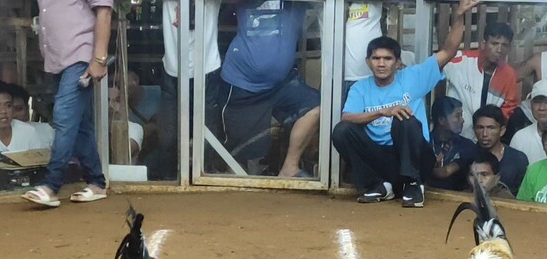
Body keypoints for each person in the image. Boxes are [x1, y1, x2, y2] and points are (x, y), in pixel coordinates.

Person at [332, 0, 481, 207]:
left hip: (416, 158)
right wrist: (384, 112)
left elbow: (449, 50)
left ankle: (413, 184)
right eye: (376, 58)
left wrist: (459, 15)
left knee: (405, 119)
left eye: (387, 58)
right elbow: (347, 118)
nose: (381, 63)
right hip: (382, 160)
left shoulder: (412, 77)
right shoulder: (360, 88)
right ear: (368, 62)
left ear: (398, 62)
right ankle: (378, 185)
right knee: (342, 131)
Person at [22, 0, 113, 207]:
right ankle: (97, 182)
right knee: (80, 124)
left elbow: (104, 11)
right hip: (58, 59)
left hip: (81, 55)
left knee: (64, 116)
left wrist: (99, 60)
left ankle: (51, 185)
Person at [220, 0, 320, 178]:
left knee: (317, 107)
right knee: (245, 159)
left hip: (283, 83)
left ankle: (290, 167)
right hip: (242, 84)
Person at [139, 0, 222, 180]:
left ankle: (205, 179)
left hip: (206, 68)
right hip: (173, 69)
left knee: (207, 136)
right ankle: (171, 184)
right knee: (168, 137)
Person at [443, 21, 519, 141]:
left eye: (504, 45)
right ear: (483, 43)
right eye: (494, 43)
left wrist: (493, 129)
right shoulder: (461, 61)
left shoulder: (509, 75)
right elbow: (432, 70)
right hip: (455, 137)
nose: (499, 49)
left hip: (487, 141)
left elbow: (509, 107)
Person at [472, 105, 528, 195]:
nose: (485, 134)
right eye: (480, 127)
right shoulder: (467, 156)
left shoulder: (518, 159)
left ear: (502, 130)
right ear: (474, 130)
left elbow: (522, 196)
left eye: (491, 128)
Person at [428, 96, 475, 191]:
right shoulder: (423, 142)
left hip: (456, 199)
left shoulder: (467, 146)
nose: (462, 120)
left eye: (461, 115)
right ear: (442, 120)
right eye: (457, 116)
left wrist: (426, 165)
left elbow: (445, 172)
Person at [7, 83, 56, 149]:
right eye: (8, 110)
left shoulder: (47, 131)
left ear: (27, 109)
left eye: (18, 109)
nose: (14, 115)